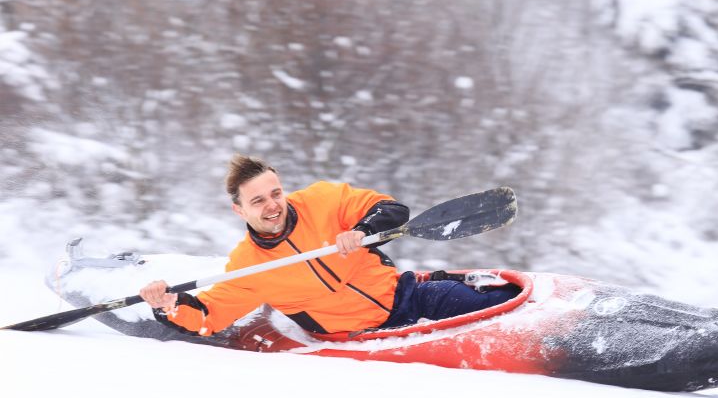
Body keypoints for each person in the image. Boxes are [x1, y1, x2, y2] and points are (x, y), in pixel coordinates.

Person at [140, 154, 519, 336]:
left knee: (479, 305)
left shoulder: (323, 200)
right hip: (359, 337)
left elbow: (391, 210)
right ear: (238, 210)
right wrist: (169, 306)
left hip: (406, 298)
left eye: (276, 193)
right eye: (258, 201)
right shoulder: (249, 266)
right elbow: (207, 315)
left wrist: (362, 229)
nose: (273, 205)